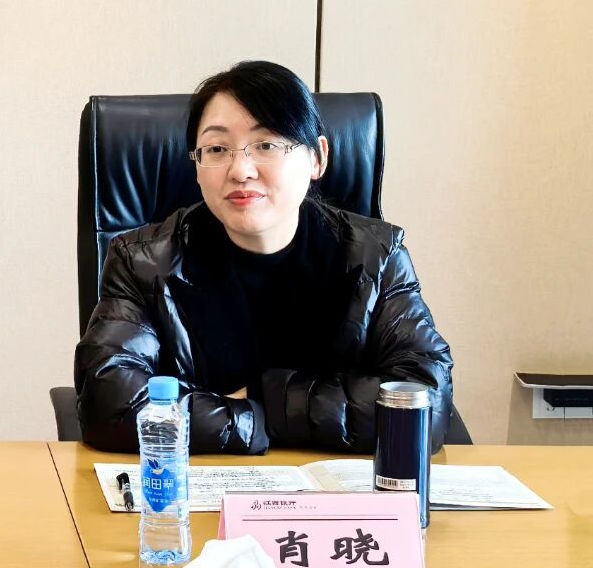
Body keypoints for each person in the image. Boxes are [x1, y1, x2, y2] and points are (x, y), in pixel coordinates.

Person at [75, 60, 460, 454]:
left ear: (317, 158)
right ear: (196, 166)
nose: (240, 170)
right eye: (217, 149)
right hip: (196, 484)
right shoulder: (143, 262)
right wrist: (250, 422)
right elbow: (109, 403)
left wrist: (264, 400)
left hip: (339, 487)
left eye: (267, 145)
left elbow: (423, 402)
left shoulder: (377, 257)